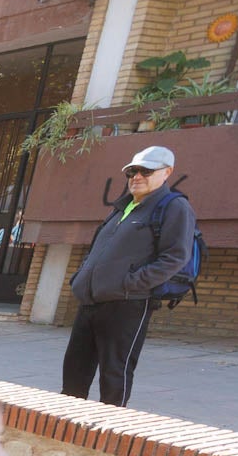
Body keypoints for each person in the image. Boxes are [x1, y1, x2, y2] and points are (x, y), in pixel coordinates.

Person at [62, 145, 196, 408]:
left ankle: (108, 437)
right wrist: (80, 279)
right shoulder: (122, 207)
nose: (137, 176)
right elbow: (97, 252)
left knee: (114, 377)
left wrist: (130, 284)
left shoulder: (174, 207)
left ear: (167, 172)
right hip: (90, 301)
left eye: (146, 171)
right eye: (132, 171)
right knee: (73, 375)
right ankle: (67, 430)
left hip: (127, 304)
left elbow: (175, 257)